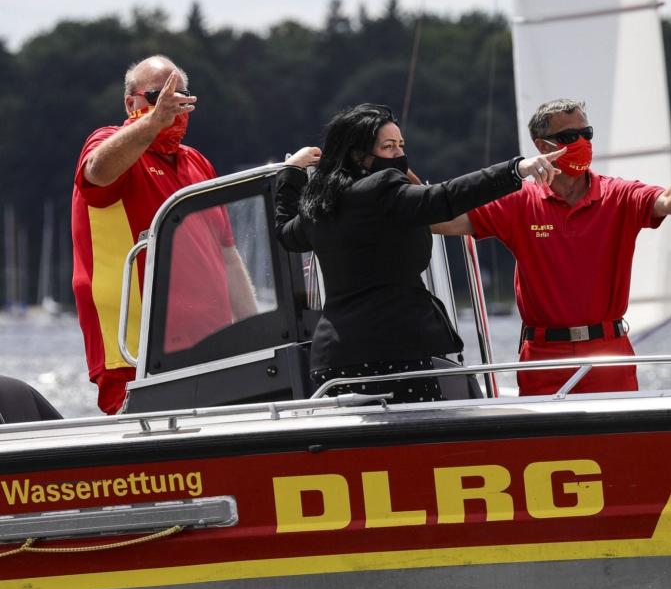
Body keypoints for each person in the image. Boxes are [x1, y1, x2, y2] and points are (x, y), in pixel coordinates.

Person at [432, 98, 671, 396]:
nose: (582, 142)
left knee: (617, 441)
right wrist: (401, 195)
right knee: (546, 443)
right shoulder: (520, 201)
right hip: (543, 357)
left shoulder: (619, 194)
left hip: (609, 354)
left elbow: (668, 201)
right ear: (543, 146)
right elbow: (442, 221)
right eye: (569, 137)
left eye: (587, 134)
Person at [274, 103, 562, 404]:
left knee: (356, 452)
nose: (399, 154)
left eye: (401, 145)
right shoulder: (382, 190)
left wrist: (291, 172)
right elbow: (444, 197)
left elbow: (285, 233)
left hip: (333, 359)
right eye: (388, 147)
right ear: (358, 155)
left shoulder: (322, 206)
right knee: (417, 448)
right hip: (395, 353)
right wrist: (516, 169)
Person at [71, 55, 258, 415]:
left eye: (181, 97)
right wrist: (153, 123)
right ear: (131, 103)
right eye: (159, 96)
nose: (171, 106)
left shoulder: (198, 163)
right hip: (137, 355)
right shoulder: (107, 141)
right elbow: (98, 171)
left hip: (212, 351)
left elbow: (227, 255)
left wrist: (253, 335)